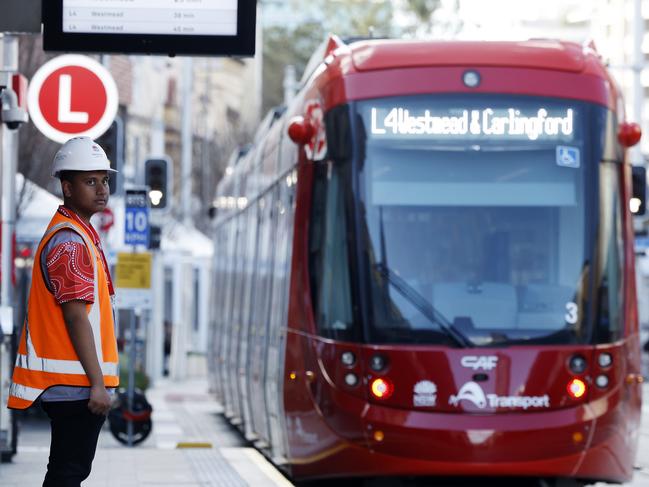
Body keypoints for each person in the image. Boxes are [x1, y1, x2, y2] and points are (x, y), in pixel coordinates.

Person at [7, 136, 119, 486]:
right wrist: (97, 384)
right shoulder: (69, 241)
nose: (101, 189)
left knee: (68, 473)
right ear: (67, 188)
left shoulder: (79, 234)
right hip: (75, 386)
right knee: (67, 475)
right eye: (90, 181)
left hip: (74, 384)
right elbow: (75, 316)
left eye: (104, 180)